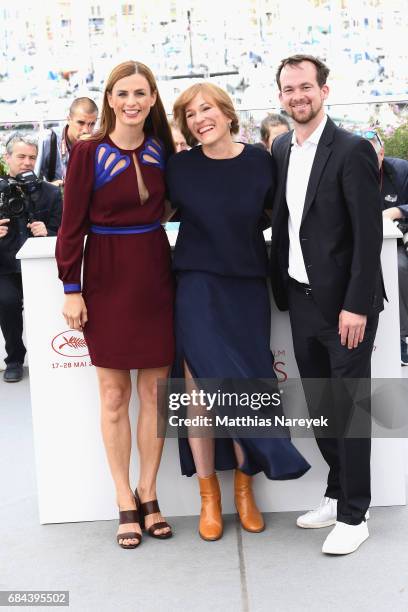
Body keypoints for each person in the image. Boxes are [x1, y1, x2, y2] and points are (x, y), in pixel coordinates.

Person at [166, 82, 310, 542]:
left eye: (205, 109)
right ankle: (210, 498)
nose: (198, 119)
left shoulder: (261, 161)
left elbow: (287, 216)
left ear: (228, 113)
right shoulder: (178, 167)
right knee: (199, 393)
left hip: (247, 286)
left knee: (250, 387)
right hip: (196, 286)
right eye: (189, 114)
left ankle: (245, 491)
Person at [55, 61, 175, 549]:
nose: (131, 101)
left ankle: (149, 493)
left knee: (154, 395)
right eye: (122, 93)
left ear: (151, 99)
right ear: (109, 98)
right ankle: (123, 497)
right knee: (113, 397)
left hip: (154, 273)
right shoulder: (87, 152)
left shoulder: (162, 149)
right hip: (104, 277)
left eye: (140, 93)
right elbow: (70, 224)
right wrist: (70, 286)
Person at [270, 54, 384, 554]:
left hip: (345, 306)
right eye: (288, 89)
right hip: (301, 299)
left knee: (350, 409)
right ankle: (338, 494)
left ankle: (356, 515)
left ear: (324, 91)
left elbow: (367, 233)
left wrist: (357, 304)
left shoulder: (352, 149)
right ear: (280, 97)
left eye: (305, 87)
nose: (297, 96)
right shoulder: (279, 148)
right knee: (321, 408)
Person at [0, 134, 62, 382]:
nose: (27, 162)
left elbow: (65, 232)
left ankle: (52, 356)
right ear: (7, 158)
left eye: (32, 157)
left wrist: (48, 232)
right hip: (5, 267)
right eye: (21, 156)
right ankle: (14, 359)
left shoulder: (50, 193)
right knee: (7, 302)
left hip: (42, 267)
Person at [359, 130, 408, 365]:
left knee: (398, 266)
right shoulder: (346, 170)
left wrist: (397, 211)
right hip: (355, 244)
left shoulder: (400, 170)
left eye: (373, 155)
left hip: (396, 241)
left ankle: (401, 337)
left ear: (382, 153)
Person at [35, 97, 98, 184]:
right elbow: (33, 181)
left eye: (92, 124)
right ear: (68, 120)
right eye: (81, 123)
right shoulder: (48, 139)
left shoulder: (97, 143)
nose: (86, 130)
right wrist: (50, 187)